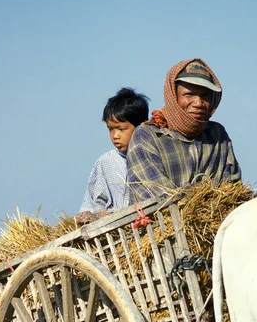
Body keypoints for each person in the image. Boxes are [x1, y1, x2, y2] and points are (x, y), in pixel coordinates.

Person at [126, 58, 241, 199]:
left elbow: (232, 187)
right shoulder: (147, 136)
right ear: (173, 96)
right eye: (189, 95)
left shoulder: (217, 135)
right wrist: (199, 196)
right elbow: (157, 197)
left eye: (205, 96)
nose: (199, 103)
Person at [76, 87, 149, 225]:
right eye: (110, 129)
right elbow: (91, 206)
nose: (115, 136)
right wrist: (98, 215)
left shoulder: (152, 155)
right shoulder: (106, 163)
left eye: (121, 129)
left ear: (141, 125)